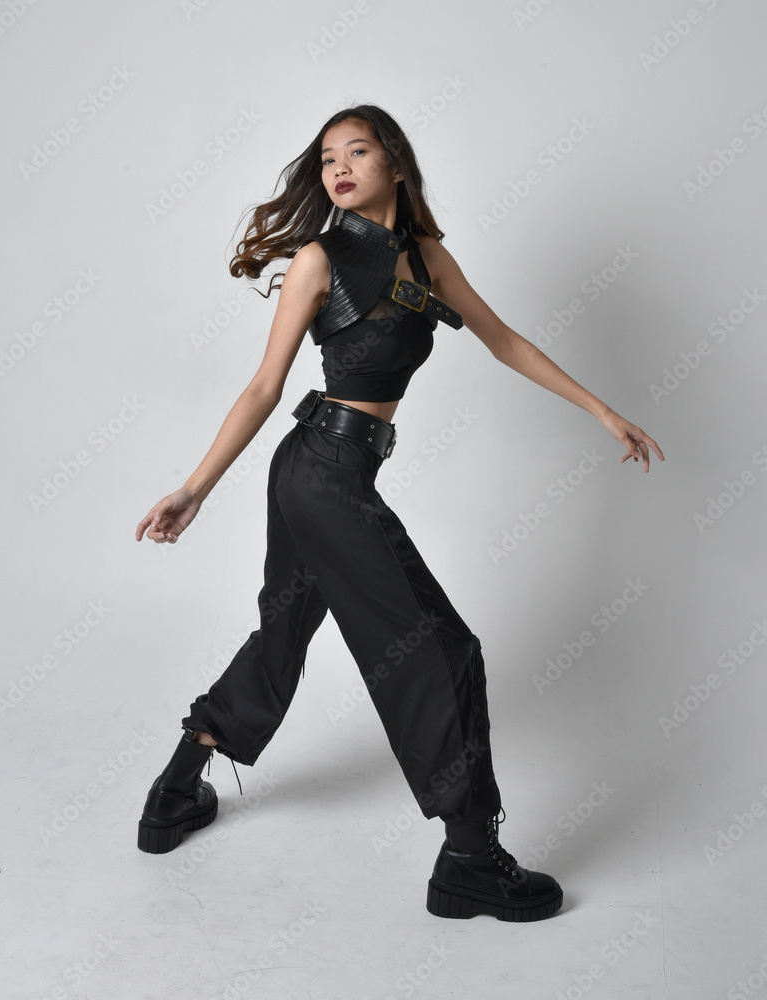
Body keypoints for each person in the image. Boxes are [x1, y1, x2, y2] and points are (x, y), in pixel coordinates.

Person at [134, 104, 664, 923]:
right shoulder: (319, 258)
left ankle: (175, 787)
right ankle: (469, 857)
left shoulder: (428, 258)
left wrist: (601, 411)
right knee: (444, 648)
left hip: (337, 473)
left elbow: (503, 339)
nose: (337, 167)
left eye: (356, 151)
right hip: (319, 474)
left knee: (285, 630)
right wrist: (194, 488)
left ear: (396, 164)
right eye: (325, 158)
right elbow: (262, 388)